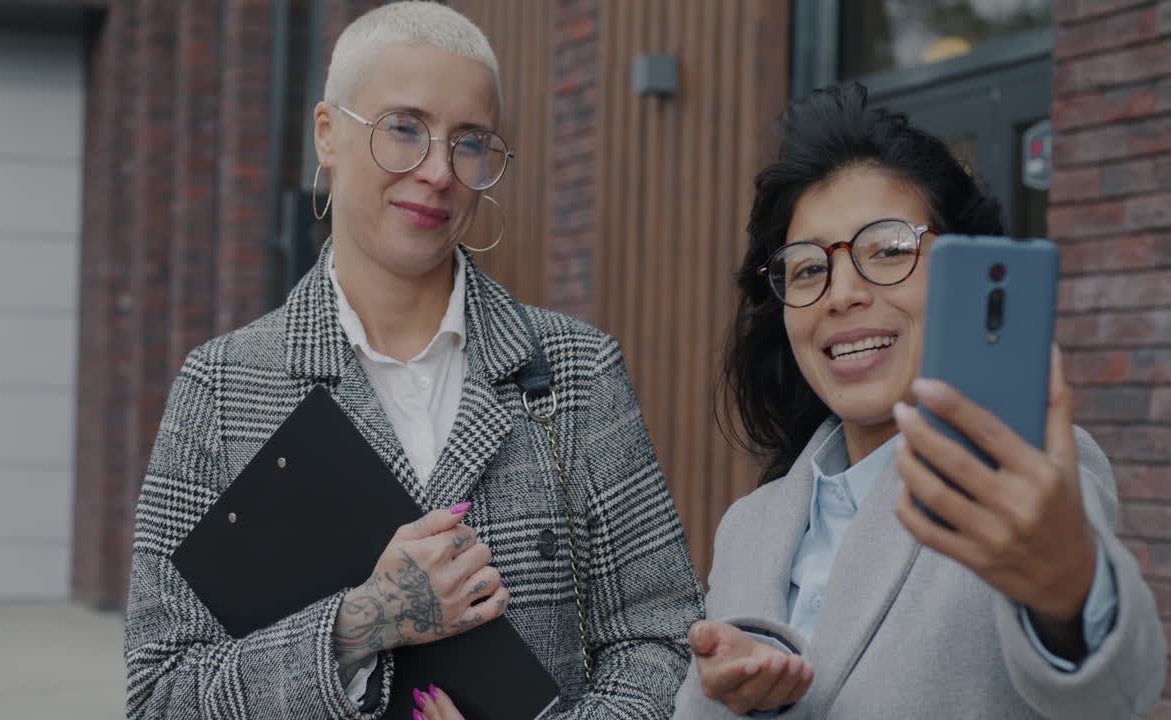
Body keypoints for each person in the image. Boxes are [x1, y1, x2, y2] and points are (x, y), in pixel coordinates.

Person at [123, 3, 703, 719]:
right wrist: (365, 620)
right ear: (328, 134)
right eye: (404, 128)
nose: (437, 172)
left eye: (469, 142)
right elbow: (159, 696)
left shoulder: (575, 372)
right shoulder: (223, 387)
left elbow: (663, 639)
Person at [673, 83, 1166, 718]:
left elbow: (1114, 694)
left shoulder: (1023, 474)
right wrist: (737, 697)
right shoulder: (750, 526)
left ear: (961, 274)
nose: (840, 292)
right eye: (806, 268)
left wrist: (1071, 590)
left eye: (888, 250)